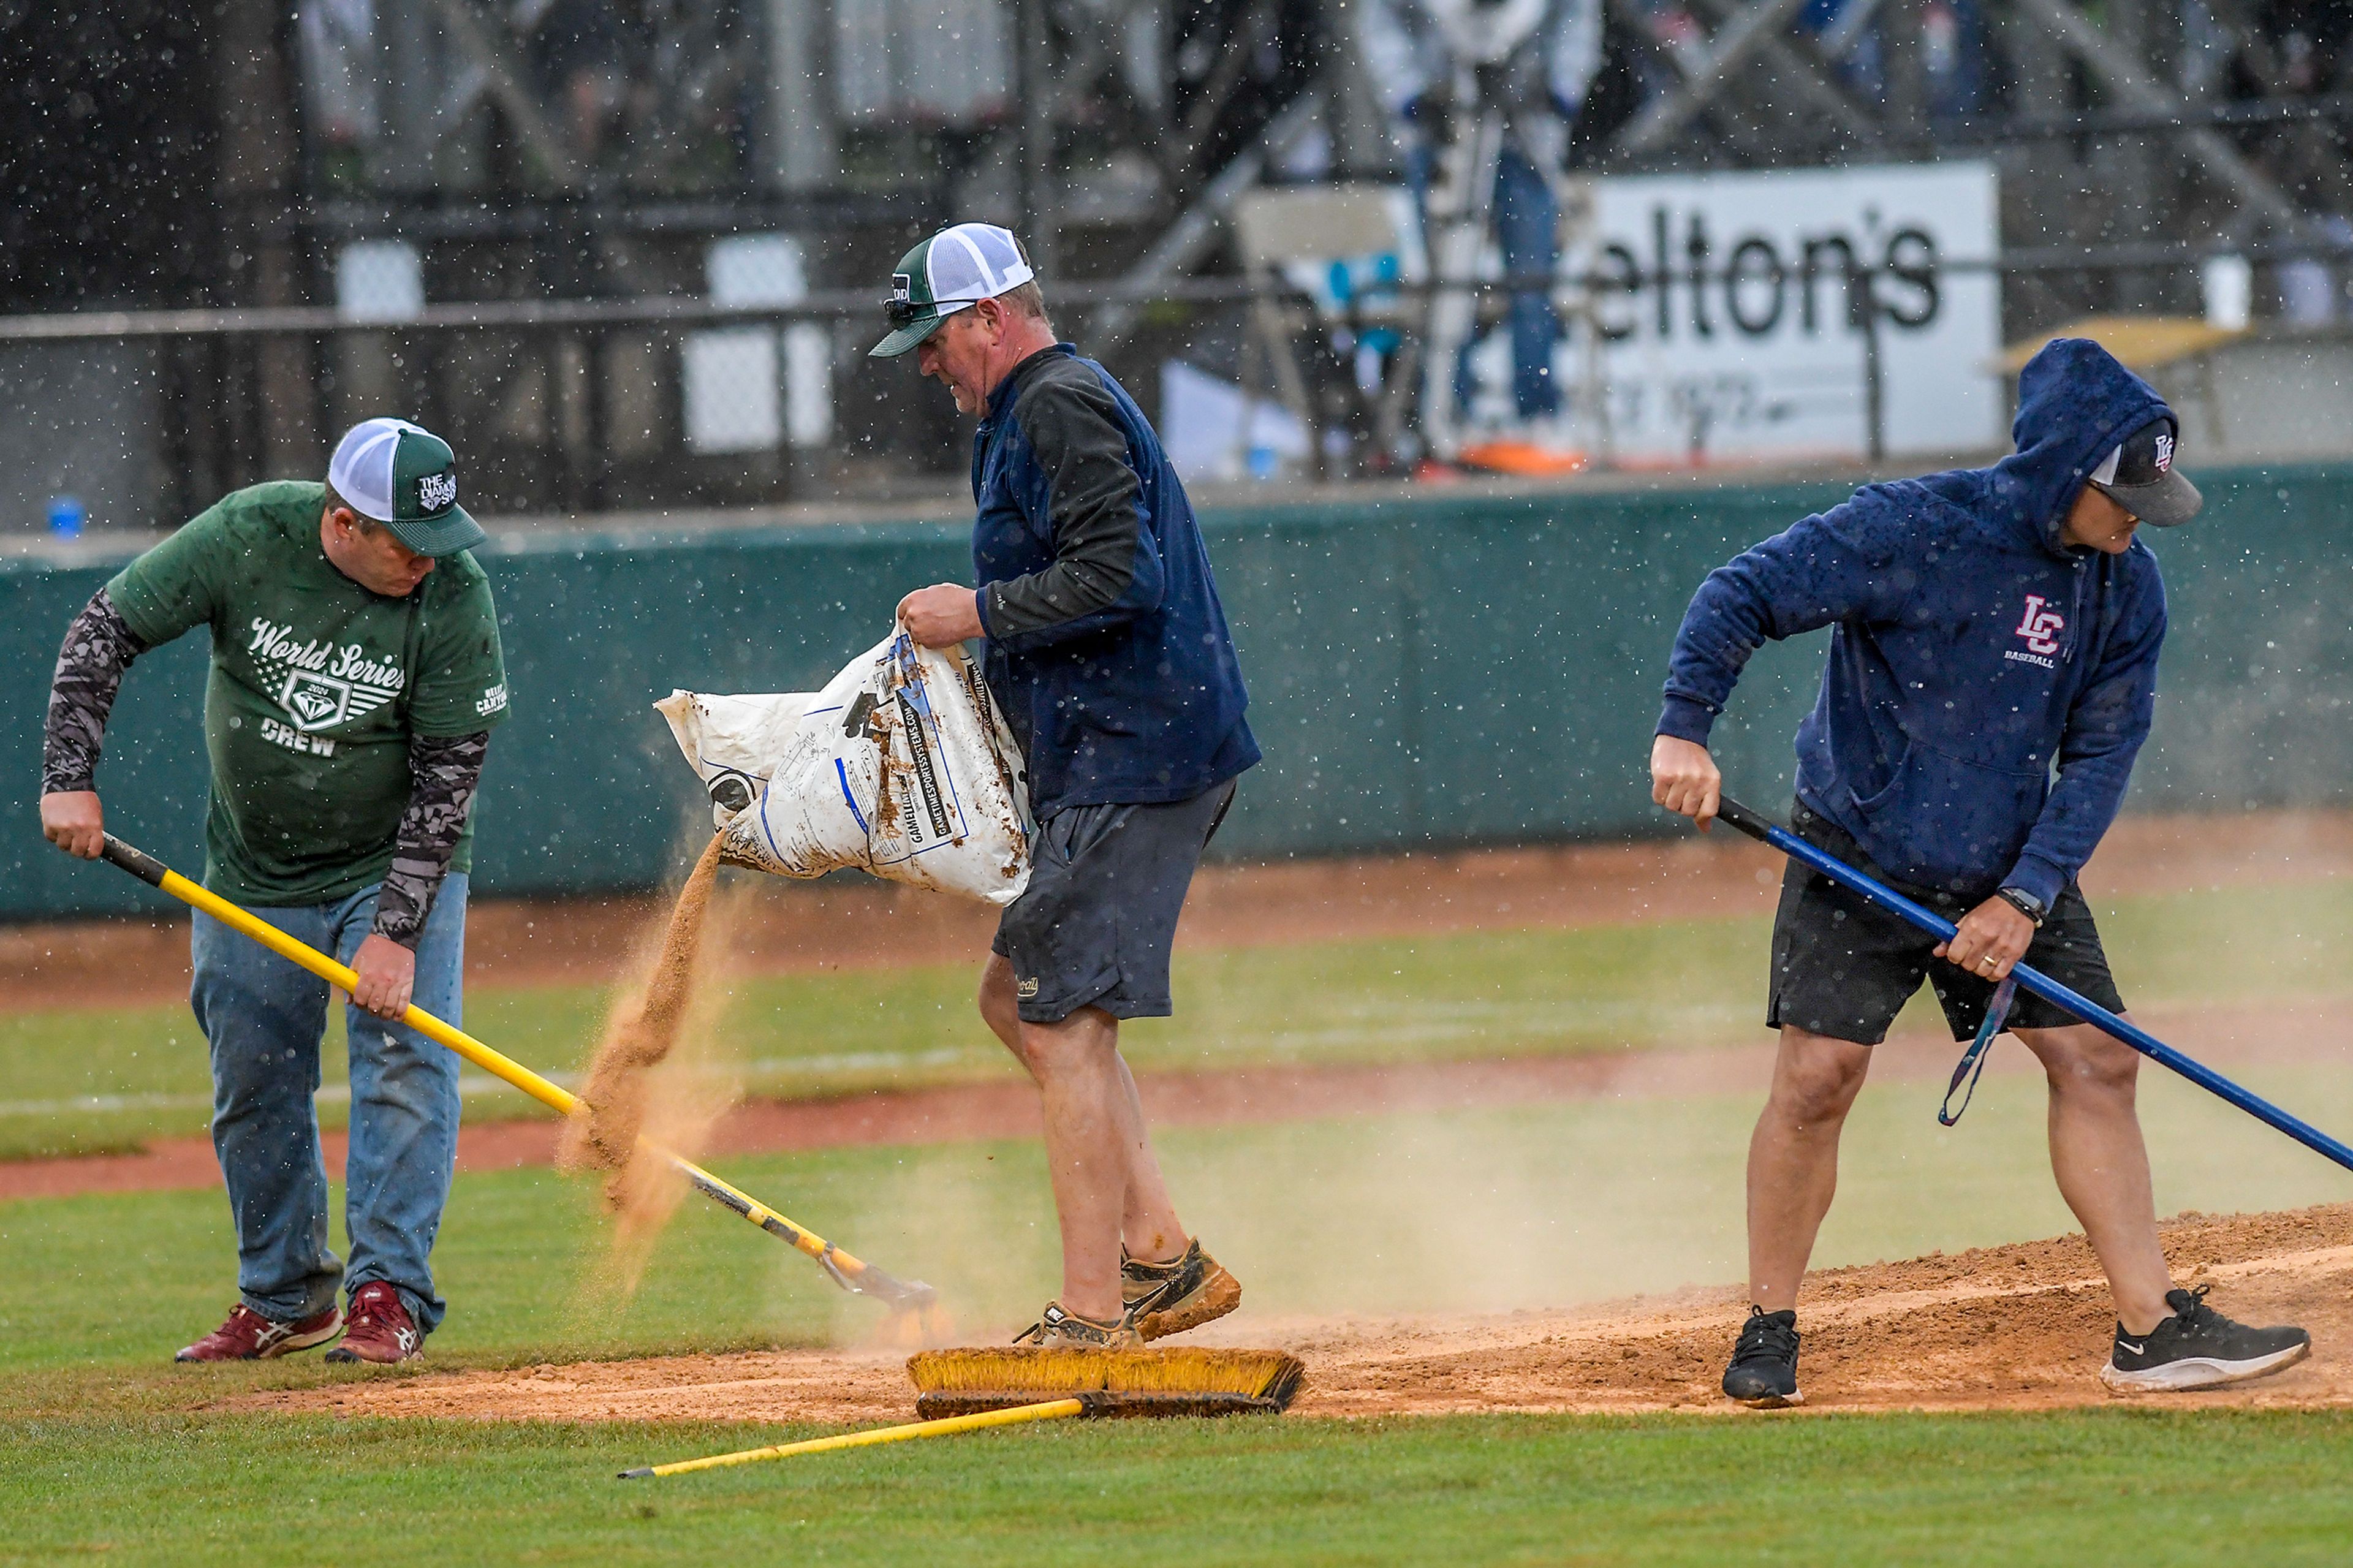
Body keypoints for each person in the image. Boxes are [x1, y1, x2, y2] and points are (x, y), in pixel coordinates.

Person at [1649, 338, 2311, 1406]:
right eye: (2125, 495)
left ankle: (2148, 1330)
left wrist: (2025, 895)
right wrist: (1685, 731)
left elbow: (2100, 758)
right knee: (1818, 1083)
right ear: (2065, 472)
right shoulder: (1911, 526)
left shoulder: (2125, 591)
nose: (2140, 518)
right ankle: (1770, 1326)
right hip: (1857, 851)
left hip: (2010, 860)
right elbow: (1743, 594)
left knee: (2097, 1061)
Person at [39, 418, 510, 1365]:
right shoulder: (247, 535)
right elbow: (105, 629)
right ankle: (287, 1295)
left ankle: (389, 1296)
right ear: (342, 524)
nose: (430, 563)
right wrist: (68, 774)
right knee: (253, 1081)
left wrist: (395, 933)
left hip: (392, 860)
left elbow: (449, 774)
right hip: (251, 873)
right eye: (408, 546)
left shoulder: (455, 593)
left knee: (405, 1070)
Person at [877, 222, 1259, 1349]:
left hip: (1139, 752)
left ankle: (1096, 1313)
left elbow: (1122, 573)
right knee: (1020, 1003)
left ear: (990, 317)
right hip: (1111, 751)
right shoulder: (1020, 412)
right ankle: (1161, 1257)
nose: (923, 362)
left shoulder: (1054, 402)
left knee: (1064, 1025)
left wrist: (979, 612)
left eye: (932, 337)